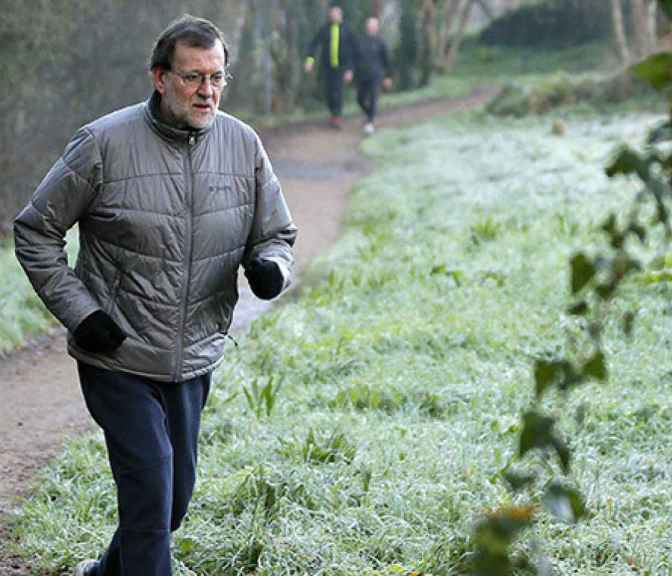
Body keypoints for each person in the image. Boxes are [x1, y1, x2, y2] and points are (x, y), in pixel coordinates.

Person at [12, 14, 297, 576]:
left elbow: (276, 233)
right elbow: (36, 230)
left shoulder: (242, 144)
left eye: (216, 77)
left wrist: (271, 268)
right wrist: (82, 313)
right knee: (149, 490)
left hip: (193, 356)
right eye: (193, 78)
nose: (207, 91)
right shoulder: (103, 143)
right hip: (117, 353)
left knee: (172, 501)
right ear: (160, 78)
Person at [304, 5, 358, 129]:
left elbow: (354, 51)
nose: (333, 16)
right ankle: (333, 114)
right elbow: (313, 45)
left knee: (337, 92)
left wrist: (350, 69)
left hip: (342, 67)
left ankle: (337, 116)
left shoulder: (347, 30)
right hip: (327, 67)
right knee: (329, 92)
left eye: (336, 14)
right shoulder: (324, 29)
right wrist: (309, 61)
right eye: (332, 14)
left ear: (341, 15)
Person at [354, 16, 393, 135]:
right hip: (362, 75)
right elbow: (355, 57)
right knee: (360, 99)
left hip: (376, 75)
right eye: (369, 25)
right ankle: (369, 115)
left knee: (373, 98)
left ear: (377, 27)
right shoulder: (360, 41)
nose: (371, 27)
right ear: (366, 27)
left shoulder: (381, 42)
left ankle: (370, 123)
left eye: (373, 25)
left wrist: (388, 77)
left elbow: (387, 61)